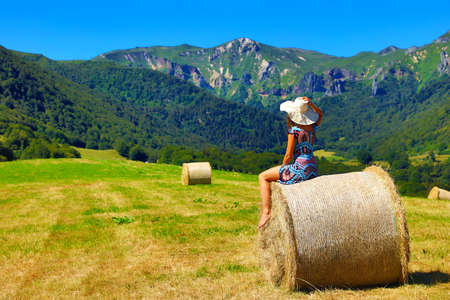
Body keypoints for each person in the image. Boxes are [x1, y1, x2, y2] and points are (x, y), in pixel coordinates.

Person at [258, 96, 323, 229]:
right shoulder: (312, 128)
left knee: (263, 177)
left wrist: (283, 169)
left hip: (299, 168)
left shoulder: (294, 131)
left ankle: (266, 212)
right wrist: (312, 104)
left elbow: (288, 156)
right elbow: (320, 114)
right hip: (312, 168)